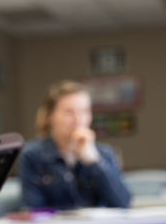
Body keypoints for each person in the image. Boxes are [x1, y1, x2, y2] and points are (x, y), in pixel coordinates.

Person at [18, 80, 131, 210]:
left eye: (84, 111)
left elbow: (123, 203)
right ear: (50, 116)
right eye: (69, 112)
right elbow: (32, 209)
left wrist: (93, 160)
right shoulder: (32, 155)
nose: (78, 119)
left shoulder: (104, 153)